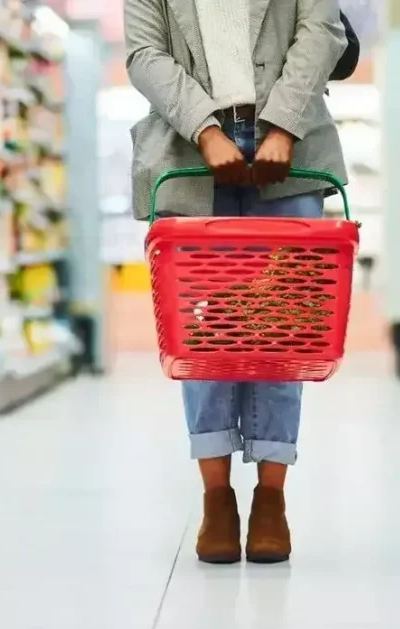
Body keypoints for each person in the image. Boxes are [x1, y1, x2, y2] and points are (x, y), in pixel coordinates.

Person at [124, 0, 348, 564]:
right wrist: (204, 129)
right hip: (186, 145)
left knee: (284, 327)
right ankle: (216, 499)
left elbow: (321, 30)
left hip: (291, 147)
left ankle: (271, 500)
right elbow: (143, 53)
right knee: (204, 333)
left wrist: (283, 124)